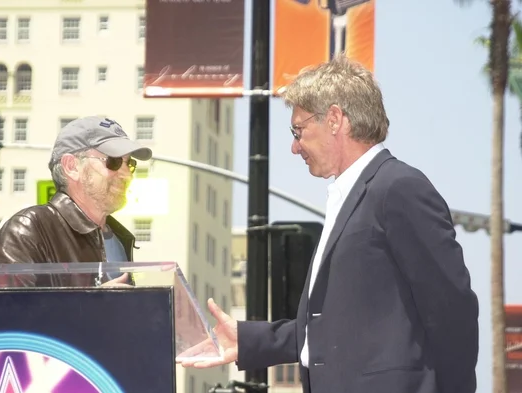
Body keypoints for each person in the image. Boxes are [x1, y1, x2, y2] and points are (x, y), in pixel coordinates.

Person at [180, 55, 479, 393]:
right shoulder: (351, 195)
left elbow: (453, 310)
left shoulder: (398, 188)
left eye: (298, 130)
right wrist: (248, 341)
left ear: (335, 119)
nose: (294, 147)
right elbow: (332, 327)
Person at [0, 116, 152, 288]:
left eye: (129, 163)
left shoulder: (120, 238)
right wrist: (92, 304)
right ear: (72, 167)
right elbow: (5, 311)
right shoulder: (28, 230)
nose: (128, 174)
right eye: (114, 162)